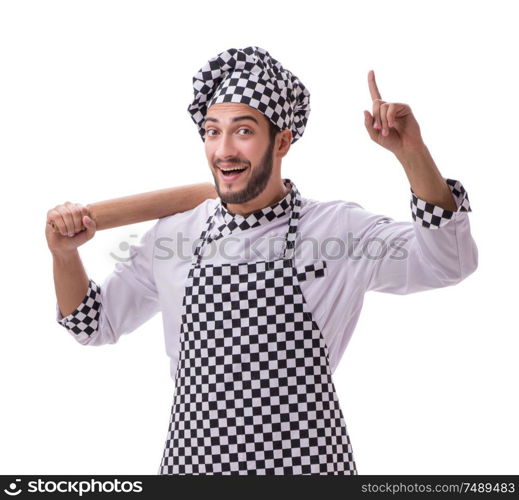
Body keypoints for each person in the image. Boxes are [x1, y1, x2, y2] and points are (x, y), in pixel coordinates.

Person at [47, 46, 478, 475]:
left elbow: (446, 262)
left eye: (244, 131)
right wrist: (64, 254)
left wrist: (411, 153)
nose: (224, 149)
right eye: (212, 132)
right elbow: (94, 324)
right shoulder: (175, 235)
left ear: (283, 141)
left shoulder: (337, 231)